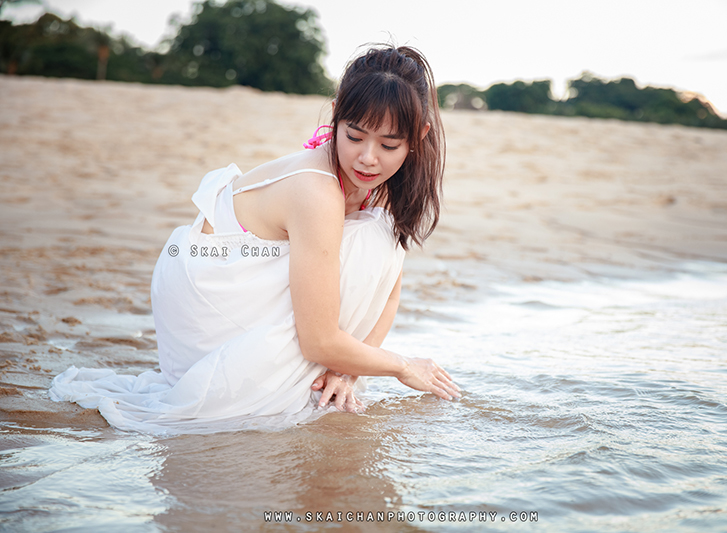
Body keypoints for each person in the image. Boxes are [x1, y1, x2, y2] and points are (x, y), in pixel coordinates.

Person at [49, 45, 460, 433]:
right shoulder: (317, 191)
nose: (368, 157)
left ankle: (330, 367)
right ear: (336, 115)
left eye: (388, 145)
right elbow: (318, 340)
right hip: (208, 310)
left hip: (231, 290)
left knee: (383, 234)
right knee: (374, 238)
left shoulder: (375, 184)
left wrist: (348, 370)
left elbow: (389, 290)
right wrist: (403, 366)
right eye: (354, 136)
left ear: (418, 136)